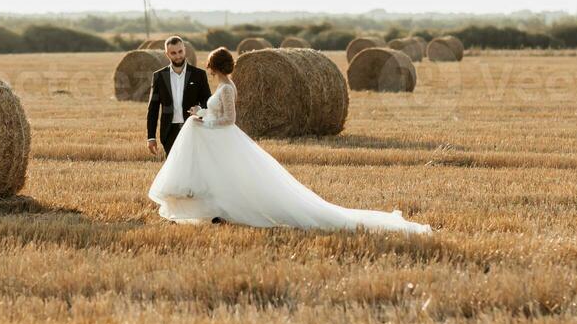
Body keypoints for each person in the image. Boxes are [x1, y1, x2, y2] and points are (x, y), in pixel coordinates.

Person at [148, 47, 431, 233]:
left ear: (213, 66)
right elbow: (217, 111)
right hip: (219, 137)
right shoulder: (223, 86)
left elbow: (230, 120)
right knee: (224, 179)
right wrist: (202, 112)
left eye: (209, 64)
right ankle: (217, 211)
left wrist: (205, 122)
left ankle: (226, 211)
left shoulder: (228, 88)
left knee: (235, 180)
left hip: (224, 136)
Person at [147, 36, 213, 157]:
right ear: (167, 54)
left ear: (184, 50)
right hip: (169, 132)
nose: (178, 56)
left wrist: (200, 109)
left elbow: (208, 101)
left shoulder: (199, 75)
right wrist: (151, 137)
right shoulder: (159, 76)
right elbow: (153, 109)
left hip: (193, 129)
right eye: (173, 53)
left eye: (180, 51)